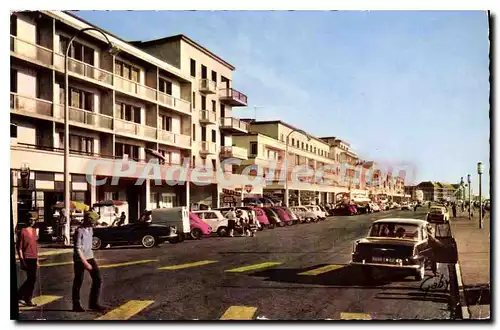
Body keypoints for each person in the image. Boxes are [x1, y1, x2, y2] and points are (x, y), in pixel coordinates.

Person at [72, 212, 105, 312]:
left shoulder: (90, 229)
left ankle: (93, 303)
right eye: (93, 222)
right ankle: (76, 304)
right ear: (88, 220)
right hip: (79, 259)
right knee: (78, 281)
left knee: (97, 279)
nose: (94, 224)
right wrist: (85, 263)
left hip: (89, 256)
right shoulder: (79, 231)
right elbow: (78, 249)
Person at [17, 212, 39, 307]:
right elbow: (20, 248)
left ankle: (21, 296)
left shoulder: (35, 231)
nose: (32, 222)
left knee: (32, 279)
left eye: (34, 220)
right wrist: (22, 260)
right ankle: (26, 298)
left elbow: (35, 246)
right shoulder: (22, 231)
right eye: (31, 220)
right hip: (26, 258)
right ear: (27, 220)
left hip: (34, 257)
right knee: (31, 278)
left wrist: (37, 259)